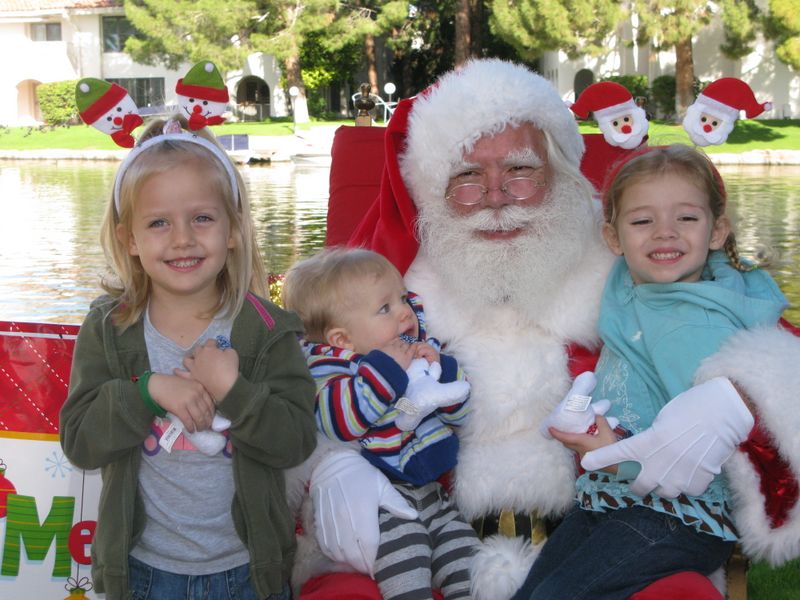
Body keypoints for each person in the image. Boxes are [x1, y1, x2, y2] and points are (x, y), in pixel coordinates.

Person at [293, 59, 800, 600]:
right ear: (432, 188)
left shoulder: (626, 258)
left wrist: (738, 396)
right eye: (466, 176)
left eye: (520, 170)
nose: (495, 196)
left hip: (609, 530)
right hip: (425, 535)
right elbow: (314, 371)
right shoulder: (388, 288)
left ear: (557, 173)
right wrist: (332, 465)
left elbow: (755, 325)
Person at [59, 115, 318, 600]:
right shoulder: (110, 329)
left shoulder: (266, 331)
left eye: (202, 217)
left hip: (248, 572)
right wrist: (147, 392)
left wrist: (234, 394)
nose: (182, 238)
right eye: (159, 222)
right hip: (142, 574)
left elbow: (296, 442)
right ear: (129, 240)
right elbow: (80, 443)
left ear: (233, 230)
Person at [513, 144, 788, 599]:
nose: (664, 234)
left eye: (686, 219)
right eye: (643, 221)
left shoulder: (697, 327)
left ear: (717, 230)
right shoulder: (632, 280)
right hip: (610, 499)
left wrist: (612, 448)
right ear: (614, 240)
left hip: (679, 515)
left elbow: (710, 455)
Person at [283, 247, 478, 600]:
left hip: (434, 496)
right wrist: (385, 372)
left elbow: (461, 414)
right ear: (342, 339)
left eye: (403, 298)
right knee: (408, 558)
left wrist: (443, 370)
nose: (405, 311)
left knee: (466, 557)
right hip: (380, 506)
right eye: (385, 308)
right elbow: (341, 424)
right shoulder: (330, 371)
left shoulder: (418, 349)